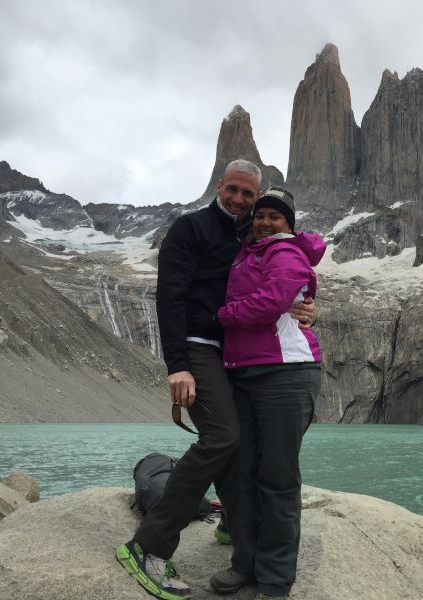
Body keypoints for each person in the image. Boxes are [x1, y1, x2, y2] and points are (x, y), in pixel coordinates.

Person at [116, 161, 316, 600]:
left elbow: (275, 283)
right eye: (234, 190)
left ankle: (237, 532)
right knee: (224, 437)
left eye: (249, 194)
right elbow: (168, 297)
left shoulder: (249, 238)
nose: (241, 201)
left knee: (238, 447)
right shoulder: (190, 229)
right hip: (197, 348)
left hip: (232, 357)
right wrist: (177, 365)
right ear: (219, 186)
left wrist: (301, 304)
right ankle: (147, 546)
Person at [209, 187, 324, 600]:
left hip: (286, 374)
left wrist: (220, 317)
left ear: (288, 223)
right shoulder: (246, 252)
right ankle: (245, 562)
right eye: (260, 215)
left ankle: (274, 579)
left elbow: (273, 300)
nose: (265, 222)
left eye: (276, 216)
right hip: (243, 374)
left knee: (277, 478)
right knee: (242, 473)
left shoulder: (287, 252)